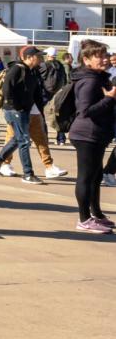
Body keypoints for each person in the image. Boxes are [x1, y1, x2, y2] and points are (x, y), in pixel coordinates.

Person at [67, 40, 115, 234]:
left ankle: (96, 214)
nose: (104, 59)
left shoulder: (98, 77)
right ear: (86, 60)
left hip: (96, 133)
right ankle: (84, 219)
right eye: (99, 56)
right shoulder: (90, 80)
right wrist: (109, 98)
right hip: (87, 134)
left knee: (95, 177)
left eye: (105, 55)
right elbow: (85, 111)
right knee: (86, 177)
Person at [0, 47, 45, 185]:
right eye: (39, 56)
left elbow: (35, 92)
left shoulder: (33, 71)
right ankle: (28, 174)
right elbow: (7, 87)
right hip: (14, 110)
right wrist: (14, 105)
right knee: (24, 141)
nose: (41, 59)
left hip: (24, 110)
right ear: (30, 57)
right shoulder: (17, 69)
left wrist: (40, 109)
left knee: (17, 139)